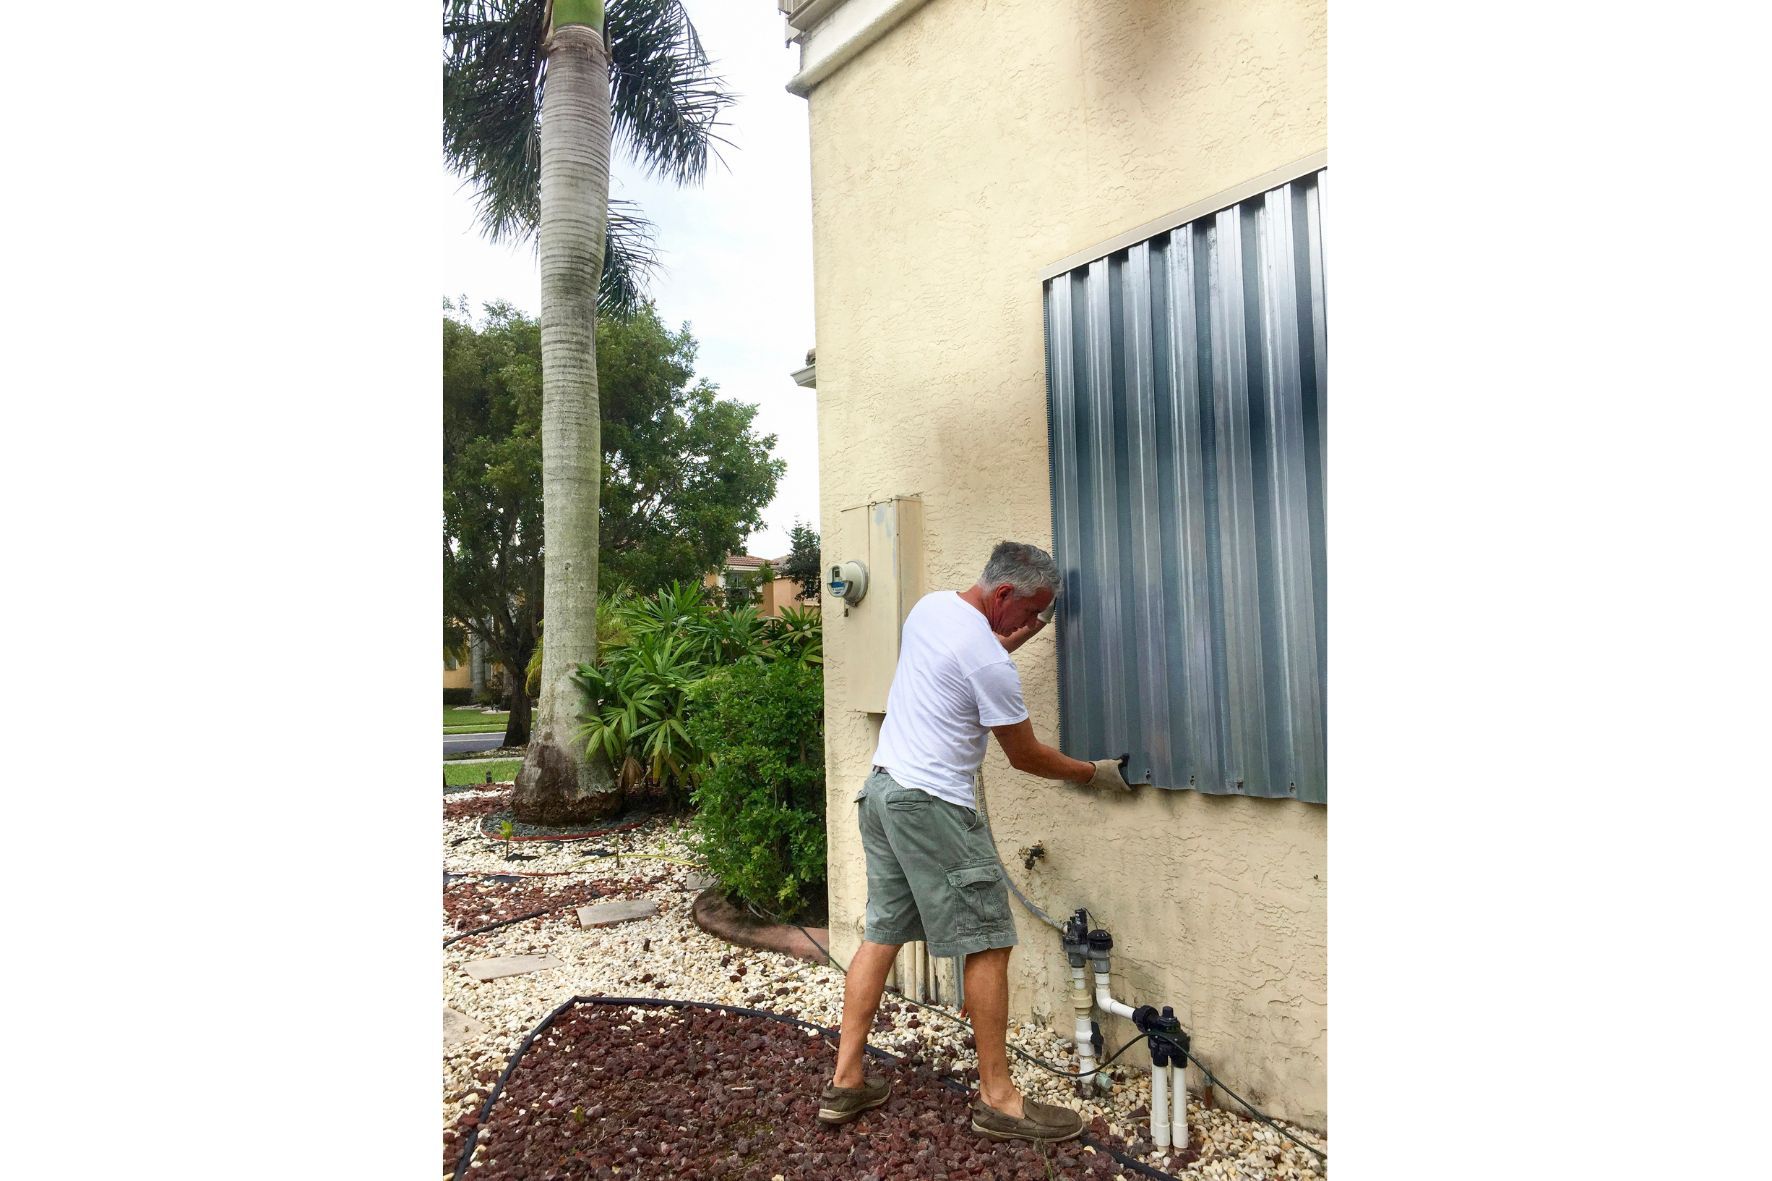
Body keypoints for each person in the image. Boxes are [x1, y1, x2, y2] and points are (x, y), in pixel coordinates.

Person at [816, 540, 1134, 1142]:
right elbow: (1026, 757)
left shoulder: (931, 610)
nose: (1033, 626)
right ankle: (1000, 1100)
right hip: (934, 808)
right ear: (1005, 593)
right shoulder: (990, 663)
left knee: (883, 932)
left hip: (882, 795)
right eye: (1029, 613)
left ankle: (847, 1080)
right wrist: (1095, 774)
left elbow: (959, 660)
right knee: (988, 942)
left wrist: (1004, 640)